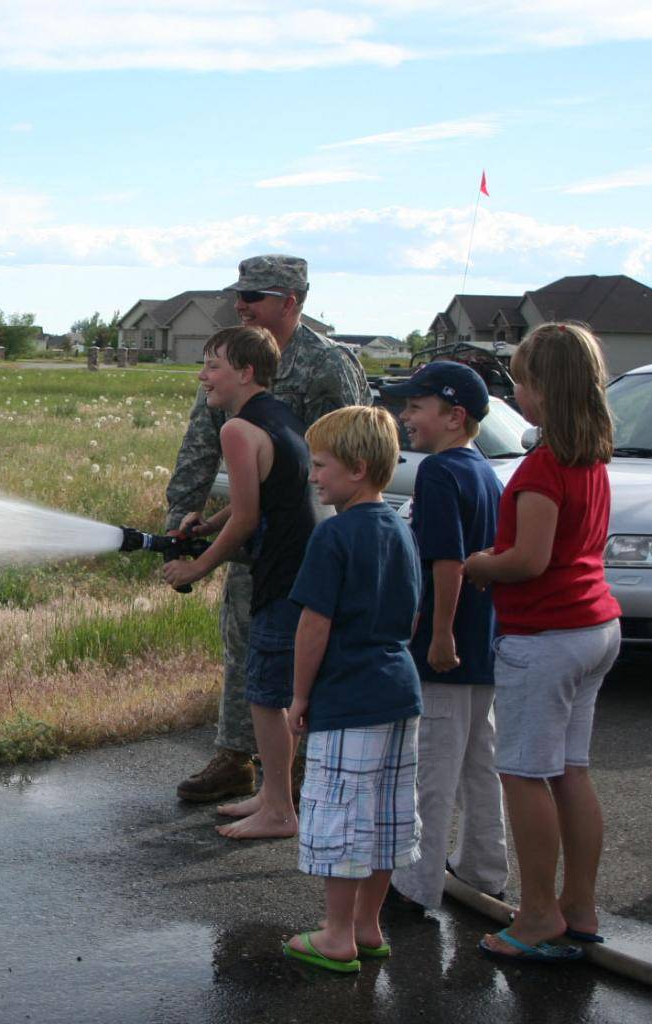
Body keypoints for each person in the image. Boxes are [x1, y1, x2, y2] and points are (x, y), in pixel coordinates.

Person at [168, 254, 369, 808]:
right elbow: (199, 443)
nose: (242, 305)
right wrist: (181, 522)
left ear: (290, 301)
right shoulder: (234, 358)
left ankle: (302, 766)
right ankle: (237, 758)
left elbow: (359, 451)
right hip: (252, 532)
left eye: (254, 297)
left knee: (303, 652)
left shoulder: (326, 363)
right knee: (244, 645)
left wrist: (351, 538)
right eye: (239, 295)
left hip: (311, 538)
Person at [464, 322, 620, 964]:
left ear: (544, 390)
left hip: (545, 637)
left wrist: (480, 564)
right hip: (595, 627)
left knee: (523, 774)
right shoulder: (592, 462)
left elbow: (527, 560)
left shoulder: (542, 469)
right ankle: (577, 908)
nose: (517, 393)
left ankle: (535, 916)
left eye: (523, 382)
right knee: (570, 770)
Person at [162, 326, 317, 841]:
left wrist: (196, 566)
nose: (203, 376)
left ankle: (280, 813)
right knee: (269, 693)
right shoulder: (277, 414)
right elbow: (265, 494)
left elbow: (249, 519)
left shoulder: (234, 429)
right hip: (306, 572)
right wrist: (210, 521)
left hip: (280, 576)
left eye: (213, 366)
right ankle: (273, 796)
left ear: (246, 373)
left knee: (265, 698)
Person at [282, 405, 422, 973]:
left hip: (348, 697)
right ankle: (368, 925)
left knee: (339, 811)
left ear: (358, 469)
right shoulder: (400, 528)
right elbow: (411, 617)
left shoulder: (333, 535)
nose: (313, 476)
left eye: (321, 465)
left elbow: (314, 625)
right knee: (387, 813)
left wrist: (299, 696)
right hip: (399, 691)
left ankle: (336, 934)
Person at [380, 362, 509, 909]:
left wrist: (439, 636)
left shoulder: (438, 473)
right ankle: (484, 866)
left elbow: (449, 562)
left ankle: (416, 883)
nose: (405, 417)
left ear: (454, 416)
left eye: (416, 406)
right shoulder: (484, 471)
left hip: (447, 649)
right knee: (480, 760)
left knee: (433, 765)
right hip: (484, 644)